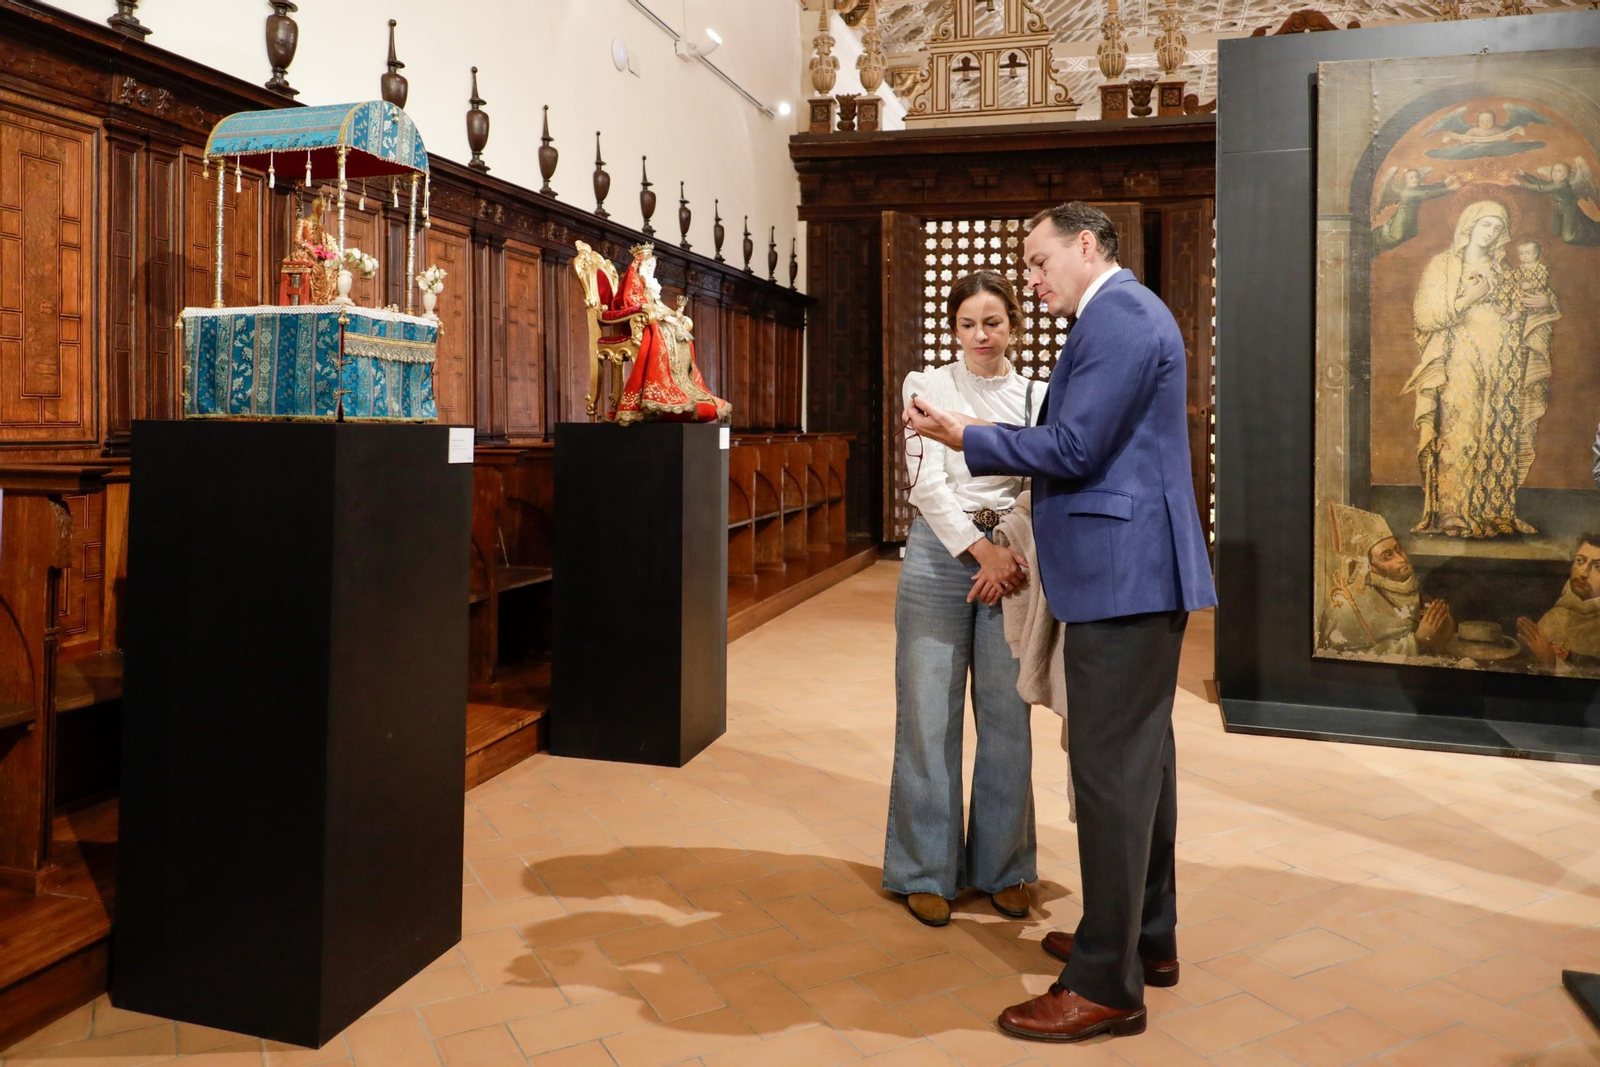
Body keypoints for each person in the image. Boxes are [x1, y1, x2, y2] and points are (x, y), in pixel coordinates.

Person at [904, 202, 1215, 1043]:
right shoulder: (1117, 314)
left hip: (1124, 577)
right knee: (1142, 773)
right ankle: (1142, 938)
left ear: (1087, 245)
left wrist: (967, 432)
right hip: (1129, 573)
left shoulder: (1118, 315)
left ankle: (1104, 984)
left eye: (1039, 262)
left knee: (1112, 780)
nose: (1032, 279)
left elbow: (1075, 449)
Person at [886, 271, 1041, 929]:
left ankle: (1005, 867)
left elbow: (1045, 474)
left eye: (993, 322)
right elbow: (926, 483)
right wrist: (982, 554)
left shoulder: (1040, 393)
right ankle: (925, 870)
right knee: (927, 713)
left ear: (1013, 325)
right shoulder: (926, 385)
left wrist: (1007, 548)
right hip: (939, 557)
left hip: (1016, 556)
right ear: (953, 329)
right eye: (968, 324)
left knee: (1007, 716)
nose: (981, 336)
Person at [1403, 200, 1551, 538]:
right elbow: (1424, 316)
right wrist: (1468, 297)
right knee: (1463, 429)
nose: (1492, 232)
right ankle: (1454, 514)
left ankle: (1498, 513)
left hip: (1506, 360)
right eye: (1486, 224)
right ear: (1469, 224)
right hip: (1462, 356)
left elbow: (1520, 311)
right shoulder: (1443, 265)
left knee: (1501, 431)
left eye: (1498, 227)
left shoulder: (1507, 270)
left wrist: (1544, 305)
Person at [1318, 504, 1455, 657]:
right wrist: (1418, 641)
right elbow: (1340, 659)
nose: (1402, 559)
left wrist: (1441, 639)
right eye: (1387, 555)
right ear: (1371, 567)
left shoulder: (1417, 594)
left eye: (1398, 549)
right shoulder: (1346, 606)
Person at [1518, 534, 1600, 669]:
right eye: (1580, 561)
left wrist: (1551, 661)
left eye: (1598, 567)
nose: (1583, 573)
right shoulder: (1555, 616)